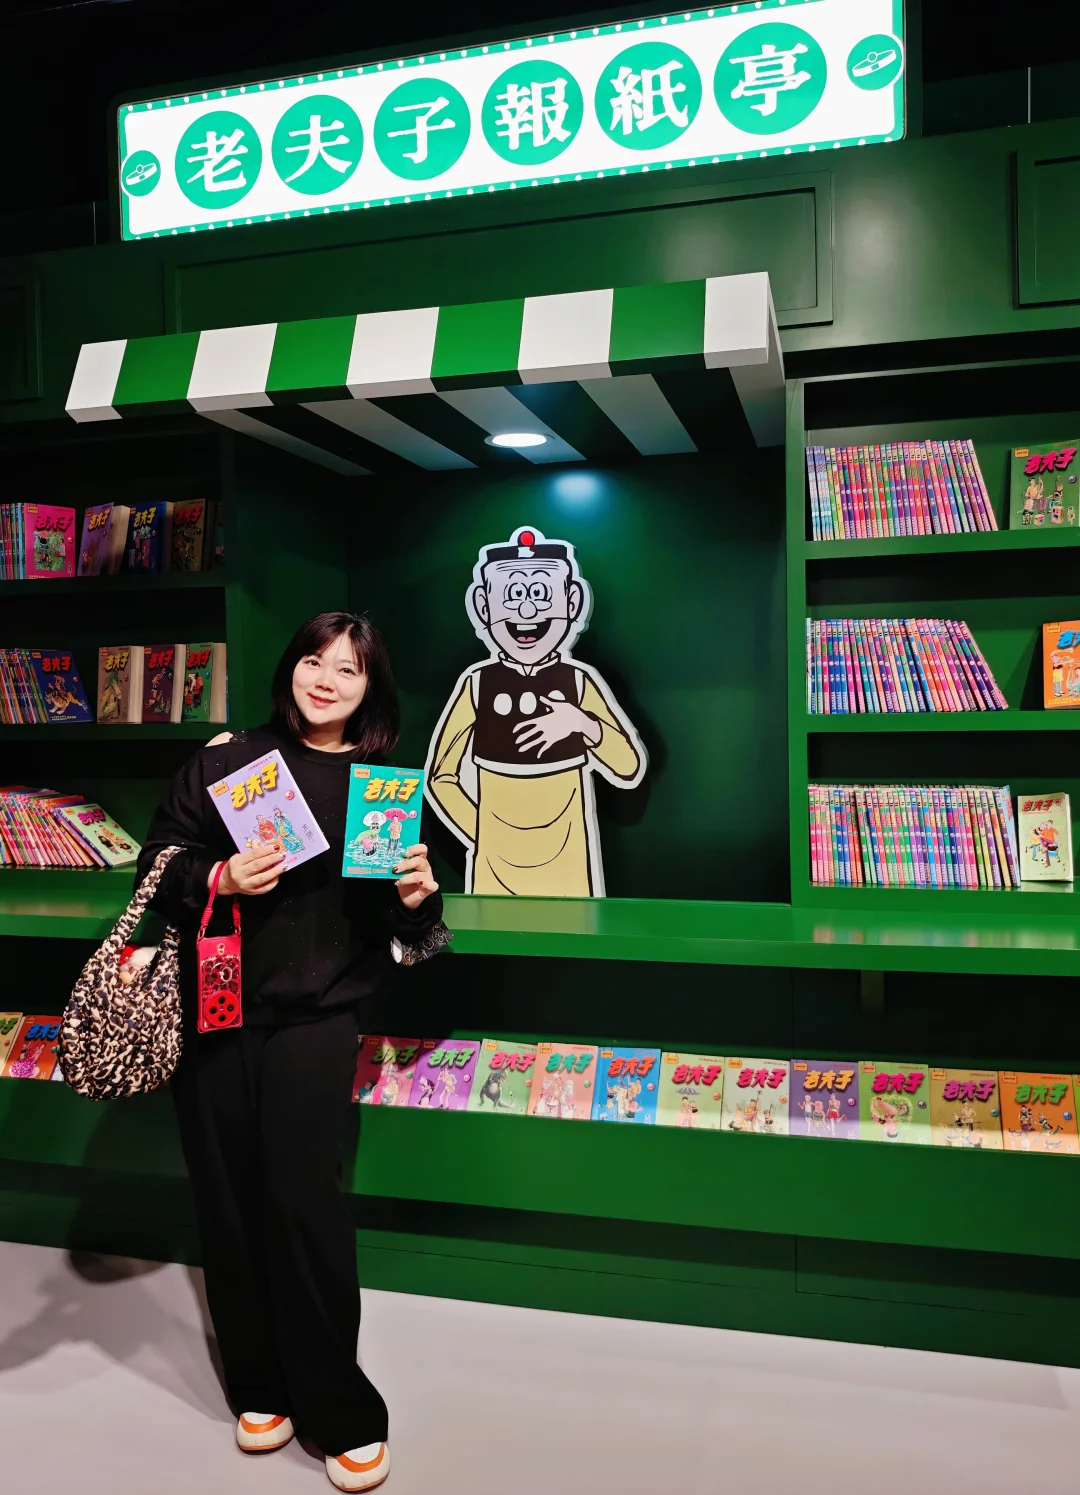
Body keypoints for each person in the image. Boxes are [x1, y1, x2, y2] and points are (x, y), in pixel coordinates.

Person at [136, 611, 442, 1493]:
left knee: (305, 1205)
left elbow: (408, 933)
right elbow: (156, 865)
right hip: (214, 1009)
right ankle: (259, 1385)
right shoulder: (229, 760)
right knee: (228, 1200)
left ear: (370, 688)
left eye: (348, 668)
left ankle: (339, 1409)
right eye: (314, 659)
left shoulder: (384, 787)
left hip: (317, 1016)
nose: (326, 679)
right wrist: (217, 876)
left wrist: (419, 898)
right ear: (291, 668)